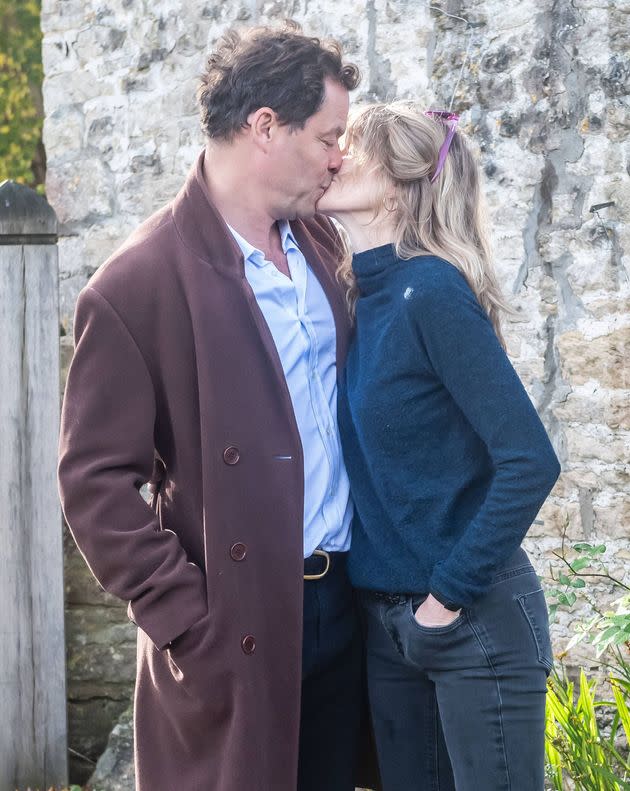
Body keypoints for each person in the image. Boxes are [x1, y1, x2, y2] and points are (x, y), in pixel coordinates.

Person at [58, 23, 376, 791]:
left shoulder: (327, 248)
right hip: (233, 629)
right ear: (265, 127)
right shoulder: (135, 284)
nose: (340, 157)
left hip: (346, 605)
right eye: (328, 136)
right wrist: (185, 618)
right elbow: (94, 480)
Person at [318, 102, 561, 790]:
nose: (333, 157)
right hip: (390, 628)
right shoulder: (367, 299)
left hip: (472, 621)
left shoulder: (431, 291)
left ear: (401, 180)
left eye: (352, 148)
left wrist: (445, 599)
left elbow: (529, 458)